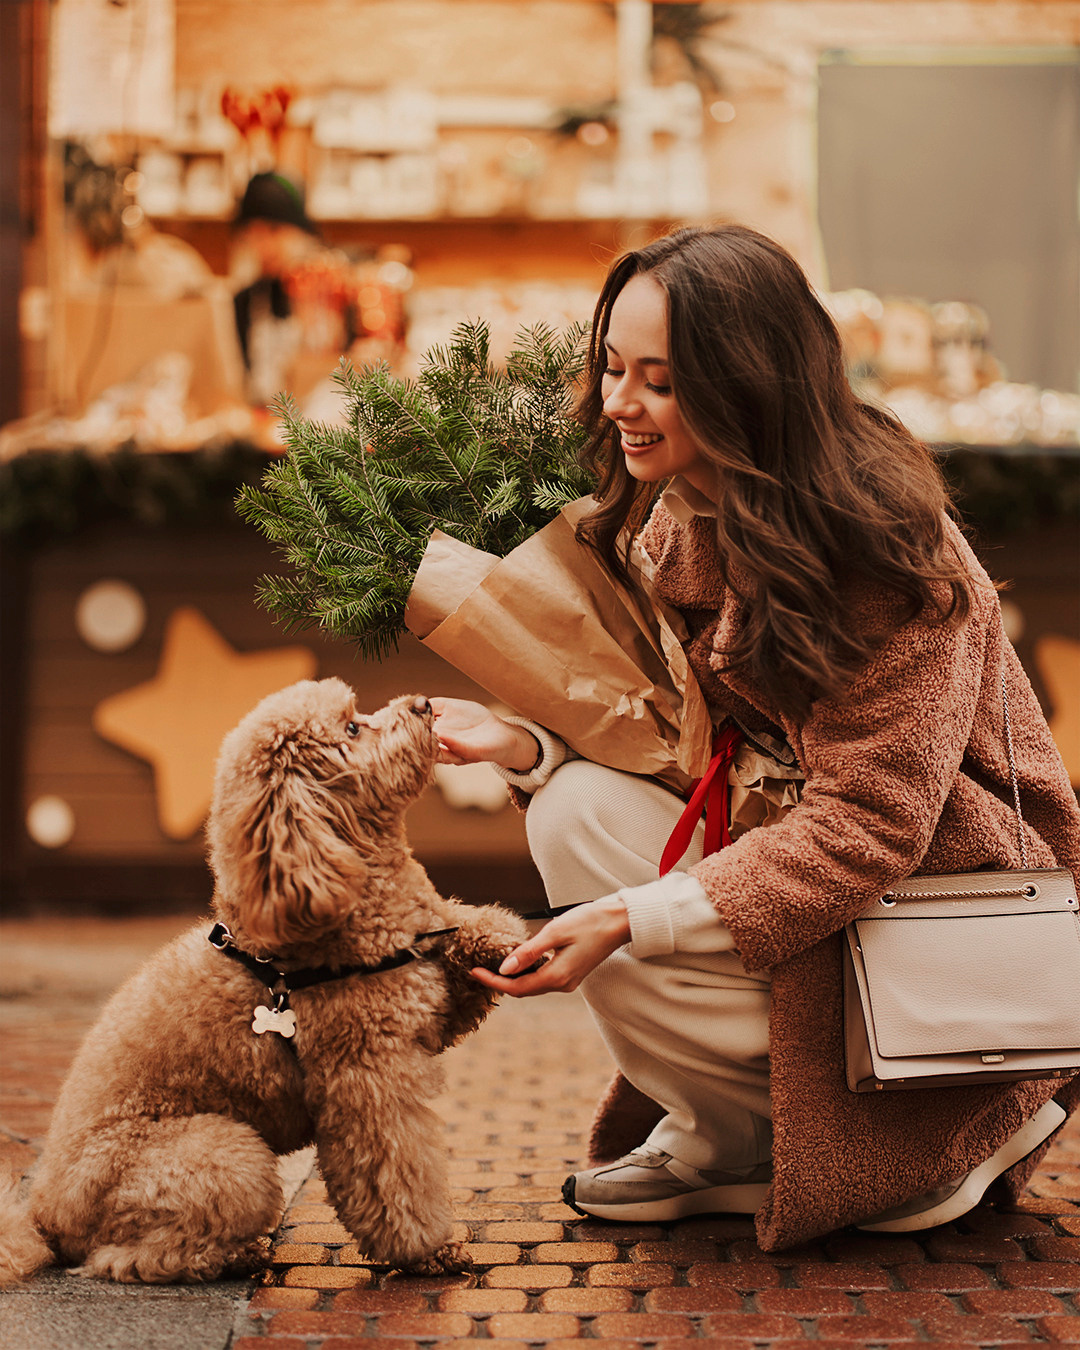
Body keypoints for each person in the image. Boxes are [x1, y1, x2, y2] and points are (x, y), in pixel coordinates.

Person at [429, 225, 1080, 1252]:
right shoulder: (682, 515)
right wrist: (524, 749)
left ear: (746, 385)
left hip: (948, 901)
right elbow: (691, 747)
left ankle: (952, 1120)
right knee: (575, 809)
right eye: (610, 368)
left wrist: (631, 921)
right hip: (812, 868)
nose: (616, 404)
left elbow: (872, 826)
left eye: (659, 380)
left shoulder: (879, 547)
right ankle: (733, 1135)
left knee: (619, 902)